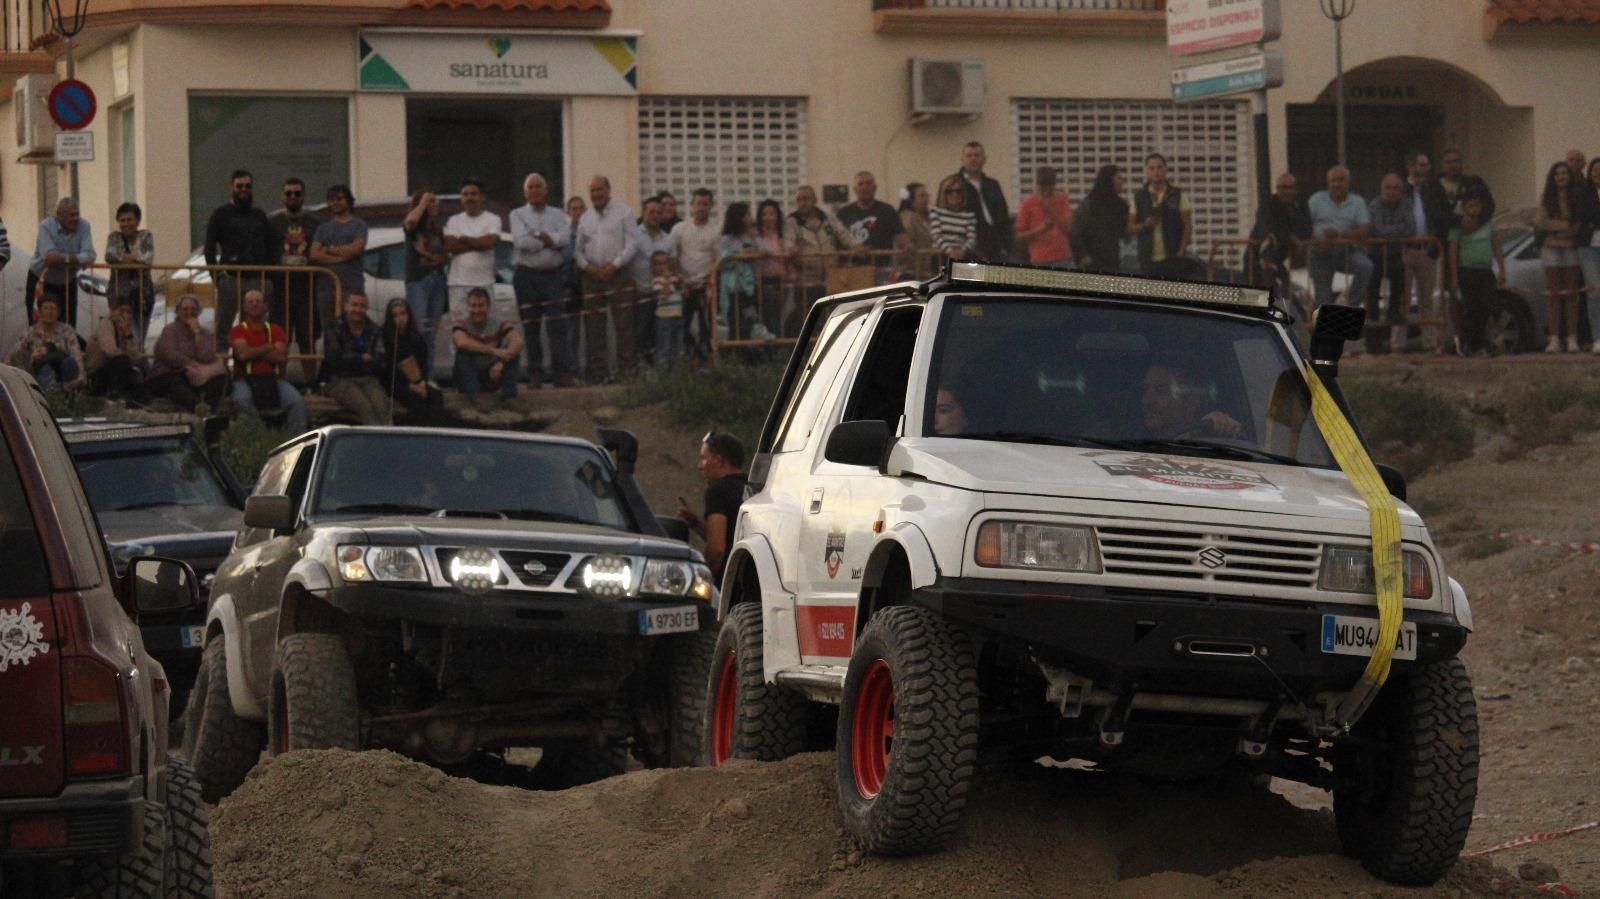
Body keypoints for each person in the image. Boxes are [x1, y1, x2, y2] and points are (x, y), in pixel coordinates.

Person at [510, 173, 574, 386]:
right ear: (525, 192)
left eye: (538, 186)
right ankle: (535, 374)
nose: (535, 190)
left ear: (546, 191)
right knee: (531, 327)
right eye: (531, 187)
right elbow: (521, 242)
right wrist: (550, 240)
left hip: (553, 276)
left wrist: (538, 235)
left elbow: (565, 238)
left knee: (558, 326)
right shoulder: (517, 214)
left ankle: (561, 374)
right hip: (526, 276)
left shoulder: (558, 214)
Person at [575, 175, 638, 381]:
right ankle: (598, 374)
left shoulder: (624, 212)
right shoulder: (585, 218)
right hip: (591, 277)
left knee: (624, 325)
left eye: (599, 190)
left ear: (608, 190)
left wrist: (615, 265)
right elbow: (577, 250)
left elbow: (632, 244)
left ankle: (626, 373)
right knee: (594, 327)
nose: (596, 194)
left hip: (618, 274)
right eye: (592, 191)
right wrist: (588, 267)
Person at [203, 170, 275, 350]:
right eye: (239, 186)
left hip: (258, 279)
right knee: (223, 329)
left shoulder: (259, 215)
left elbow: (270, 245)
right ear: (231, 187)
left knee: (254, 328)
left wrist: (269, 277)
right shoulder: (220, 214)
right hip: (230, 279)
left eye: (247, 186)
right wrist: (217, 277)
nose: (244, 189)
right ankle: (221, 366)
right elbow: (209, 248)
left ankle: (249, 365)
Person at [229, 289, 307, 433]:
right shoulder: (238, 330)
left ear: (265, 306)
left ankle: (297, 440)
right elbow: (243, 355)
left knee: (297, 402)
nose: (255, 304)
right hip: (244, 380)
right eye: (250, 302)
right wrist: (268, 347)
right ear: (245, 307)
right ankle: (262, 435)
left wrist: (252, 350)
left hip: (273, 379)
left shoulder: (276, 329)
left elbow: (281, 357)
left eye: (258, 301)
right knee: (241, 400)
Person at [267, 177, 323, 367]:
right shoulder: (272, 222)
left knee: (307, 341)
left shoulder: (315, 222)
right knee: (279, 342)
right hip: (279, 291)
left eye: (297, 193)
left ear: (304, 196)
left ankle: (311, 382)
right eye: (288, 193)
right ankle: (279, 380)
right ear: (282, 197)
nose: (293, 196)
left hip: (307, 291)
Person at [676, 432, 746, 580]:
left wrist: (703, 579)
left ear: (719, 461)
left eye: (703, 458)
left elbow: (717, 548)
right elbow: (731, 538)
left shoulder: (718, 491)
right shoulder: (753, 489)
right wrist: (696, 524)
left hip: (730, 585)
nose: (699, 466)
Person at [443, 179, 502, 355]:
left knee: (487, 333)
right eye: (465, 194)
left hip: (484, 283)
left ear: (482, 197)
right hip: (459, 284)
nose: (470, 197)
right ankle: (461, 368)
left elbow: (490, 242)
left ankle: (486, 366)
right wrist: (478, 243)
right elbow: (450, 246)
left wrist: (464, 239)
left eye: (474, 194)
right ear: (461, 198)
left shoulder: (492, 219)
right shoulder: (454, 220)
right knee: (460, 331)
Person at [1446, 188, 1506, 356]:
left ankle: (1481, 341)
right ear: (1464, 207)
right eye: (1470, 206)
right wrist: (1454, 278)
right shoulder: (1457, 228)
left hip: (1485, 271)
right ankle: (1469, 343)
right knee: (1471, 309)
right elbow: (1453, 252)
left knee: (1487, 306)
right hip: (1467, 271)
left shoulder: (1488, 225)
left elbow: (1497, 247)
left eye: (1477, 205)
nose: (1474, 210)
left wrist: (1502, 270)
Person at [1307, 166, 1374, 308]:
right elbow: (1305, 226)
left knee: (1366, 267)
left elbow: (1364, 229)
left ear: (1348, 182)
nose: (1337, 184)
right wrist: (1319, 239)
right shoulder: (1316, 200)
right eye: (1333, 180)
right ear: (1328, 183)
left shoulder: (1357, 201)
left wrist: (1340, 236)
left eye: (1341, 180)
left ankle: (1348, 305)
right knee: (1323, 300)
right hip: (1320, 254)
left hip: (1347, 251)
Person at [146, 294, 228, 411]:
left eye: (193, 309)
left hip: (195, 375)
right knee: (175, 382)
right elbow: (166, 353)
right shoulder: (170, 330)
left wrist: (197, 333)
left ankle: (208, 408)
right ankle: (196, 408)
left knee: (219, 378)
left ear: (198, 312)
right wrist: (188, 362)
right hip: (169, 373)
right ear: (178, 312)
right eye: (185, 309)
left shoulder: (205, 333)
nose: (189, 312)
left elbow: (207, 356)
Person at [1401, 150, 1447, 350]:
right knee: (1402, 299)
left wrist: (1436, 243)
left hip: (1427, 249)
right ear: (1410, 167)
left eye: (1427, 165)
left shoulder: (1434, 189)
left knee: (1426, 299)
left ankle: (1429, 342)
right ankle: (1398, 344)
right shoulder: (1401, 189)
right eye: (1421, 165)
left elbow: (1442, 215)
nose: (1425, 169)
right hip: (1405, 249)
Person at [1535, 161, 1583, 353]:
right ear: (1552, 178)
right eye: (1557, 174)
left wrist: (1559, 230)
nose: (1561, 177)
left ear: (1569, 176)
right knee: (1553, 295)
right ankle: (1554, 338)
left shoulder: (1576, 197)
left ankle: (1572, 338)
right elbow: (1543, 223)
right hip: (1551, 249)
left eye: (1564, 173)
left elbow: (1577, 225)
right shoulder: (1545, 198)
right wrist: (1564, 226)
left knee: (1571, 295)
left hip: (1571, 248)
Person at [310, 184, 369, 340]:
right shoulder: (323, 228)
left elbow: (356, 249)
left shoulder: (359, 225)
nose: (335, 202)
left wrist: (328, 249)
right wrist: (342, 256)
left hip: (351, 286)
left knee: (352, 329)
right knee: (329, 332)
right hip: (326, 288)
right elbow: (314, 255)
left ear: (348, 201)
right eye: (331, 199)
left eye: (339, 198)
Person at [320, 292, 389, 425]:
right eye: (354, 305)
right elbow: (334, 359)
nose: (357, 309)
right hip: (338, 380)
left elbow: (380, 361)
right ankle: (372, 437)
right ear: (346, 306)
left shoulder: (374, 329)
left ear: (366, 308)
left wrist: (353, 358)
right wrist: (362, 358)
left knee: (382, 406)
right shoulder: (333, 327)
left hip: (368, 379)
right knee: (364, 406)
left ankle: (388, 437)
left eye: (362, 306)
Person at [27, 197, 95, 329]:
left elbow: (90, 255)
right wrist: (76, 259)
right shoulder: (46, 226)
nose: (75, 218)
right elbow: (49, 258)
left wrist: (63, 259)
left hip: (67, 281)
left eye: (77, 214)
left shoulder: (84, 226)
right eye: (71, 215)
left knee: (68, 325)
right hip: (41, 280)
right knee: (38, 325)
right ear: (59, 215)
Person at [1367, 174, 1417, 353]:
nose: (1391, 191)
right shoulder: (1374, 205)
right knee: (1372, 296)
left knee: (1399, 284)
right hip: (1376, 254)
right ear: (1381, 189)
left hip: (1395, 254)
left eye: (1396, 188)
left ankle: (1393, 313)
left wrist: (1391, 233)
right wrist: (1398, 231)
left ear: (1401, 190)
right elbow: (1377, 230)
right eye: (1388, 188)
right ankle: (1373, 343)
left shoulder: (1407, 204)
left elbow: (1411, 228)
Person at [402, 188, 450, 371]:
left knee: (431, 332)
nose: (435, 204)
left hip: (437, 279)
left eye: (435, 201)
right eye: (431, 201)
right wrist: (422, 203)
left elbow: (443, 256)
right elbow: (410, 222)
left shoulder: (436, 229)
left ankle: (427, 375)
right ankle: (415, 376)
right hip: (418, 280)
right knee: (418, 329)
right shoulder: (414, 227)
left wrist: (431, 255)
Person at [451, 287, 523, 406]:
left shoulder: (499, 323)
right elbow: (461, 342)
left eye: (481, 306)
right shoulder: (461, 323)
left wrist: (501, 362)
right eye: (473, 306)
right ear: (468, 307)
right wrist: (494, 351)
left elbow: (518, 341)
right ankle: (476, 396)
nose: (477, 310)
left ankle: (509, 397)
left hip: (492, 375)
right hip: (468, 377)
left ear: (488, 307)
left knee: (513, 351)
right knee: (462, 352)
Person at [380, 297, 444, 425]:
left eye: (403, 313)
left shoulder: (416, 338)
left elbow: (423, 364)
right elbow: (388, 370)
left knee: (436, 396)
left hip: (417, 381)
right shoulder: (386, 338)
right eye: (395, 315)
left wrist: (422, 383)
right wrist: (411, 386)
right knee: (416, 400)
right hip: (395, 383)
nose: (400, 318)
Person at [791, 184, 856, 311]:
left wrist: (856, 246)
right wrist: (791, 249)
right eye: (799, 200)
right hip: (806, 281)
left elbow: (843, 234)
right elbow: (788, 243)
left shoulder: (828, 217)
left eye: (805, 199)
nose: (802, 203)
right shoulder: (792, 221)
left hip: (831, 278)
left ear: (815, 200)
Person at [671, 188, 720, 357]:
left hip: (706, 287)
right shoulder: (679, 229)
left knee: (707, 325)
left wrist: (710, 282)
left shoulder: (715, 230)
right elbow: (674, 256)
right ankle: (689, 355)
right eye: (698, 204)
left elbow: (716, 259)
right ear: (692, 205)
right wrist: (681, 282)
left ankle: (708, 358)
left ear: (711, 206)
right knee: (682, 324)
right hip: (684, 286)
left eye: (705, 204)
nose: (701, 208)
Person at [1129, 154, 1194, 278]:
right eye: (1152, 168)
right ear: (1147, 171)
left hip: (1173, 257)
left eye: (1159, 167)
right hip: (1147, 259)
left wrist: (1182, 250)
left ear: (1165, 169)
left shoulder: (1177, 195)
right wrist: (1144, 225)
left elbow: (1188, 225)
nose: (1156, 172)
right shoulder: (1139, 197)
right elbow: (1130, 227)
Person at [1141, 361, 1240, 440]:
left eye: (1161, 391)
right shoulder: (1133, 441)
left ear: (1191, 402)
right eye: (1144, 390)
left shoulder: (1208, 445)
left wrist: (1219, 427)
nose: (1146, 401)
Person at [837, 171, 908, 282]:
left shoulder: (887, 210)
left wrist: (907, 246)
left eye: (868, 183)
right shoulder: (843, 213)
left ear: (875, 187)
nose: (865, 187)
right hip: (852, 269)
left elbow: (900, 237)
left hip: (882, 269)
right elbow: (836, 240)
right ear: (855, 189)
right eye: (861, 184)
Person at [1248, 173, 1311, 295]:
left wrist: (1297, 238)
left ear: (1295, 189)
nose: (1284, 191)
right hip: (1258, 261)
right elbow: (1269, 227)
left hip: (1276, 260)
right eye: (1281, 188)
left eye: (1288, 188)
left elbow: (1307, 228)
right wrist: (1291, 237)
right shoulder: (1269, 204)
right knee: (1265, 296)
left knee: (1284, 292)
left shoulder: (1300, 205)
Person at [630, 196, 677, 361]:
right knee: (639, 333)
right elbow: (627, 262)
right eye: (651, 212)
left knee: (660, 334)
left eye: (658, 212)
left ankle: (658, 367)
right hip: (640, 293)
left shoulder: (668, 239)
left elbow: (673, 265)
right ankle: (638, 366)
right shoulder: (633, 235)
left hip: (662, 297)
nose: (655, 215)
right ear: (643, 213)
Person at [954, 141, 1014, 262]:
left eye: (977, 155)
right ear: (962, 160)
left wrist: (1008, 244)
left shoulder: (992, 185)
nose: (973, 159)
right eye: (969, 156)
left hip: (997, 247)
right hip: (971, 248)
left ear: (984, 159)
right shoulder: (954, 185)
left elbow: (1003, 215)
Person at [8, 295, 83, 390]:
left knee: (70, 362)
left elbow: (76, 355)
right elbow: (15, 353)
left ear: (58, 312)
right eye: (46, 308)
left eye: (53, 309)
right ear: (40, 311)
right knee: (46, 370)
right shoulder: (31, 332)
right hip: (41, 372)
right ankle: (50, 394)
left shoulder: (66, 331)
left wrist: (80, 378)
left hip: (63, 371)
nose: (49, 312)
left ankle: (68, 392)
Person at [104, 202, 155, 330]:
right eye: (122, 220)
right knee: (123, 334)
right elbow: (110, 256)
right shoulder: (114, 237)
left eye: (129, 219)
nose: (126, 224)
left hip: (143, 295)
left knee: (140, 334)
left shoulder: (145, 236)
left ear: (138, 221)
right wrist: (136, 260)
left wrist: (125, 258)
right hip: (119, 296)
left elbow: (147, 259)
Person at [85, 298, 146, 400]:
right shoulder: (106, 324)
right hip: (98, 371)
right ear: (113, 311)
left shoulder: (129, 330)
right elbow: (110, 351)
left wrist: (128, 336)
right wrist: (126, 354)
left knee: (138, 372)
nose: (125, 315)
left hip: (119, 368)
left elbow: (136, 357)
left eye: (129, 312)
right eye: (122, 311)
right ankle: (112, 395)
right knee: (122, 361)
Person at [716, 203, 761, 340]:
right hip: (733, 287)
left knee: (749, 319)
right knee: (735, 319)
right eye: (747, 214)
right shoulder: (726, 239)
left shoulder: (750, 237)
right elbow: (723, 261)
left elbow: (758, 252)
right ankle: (734, 347)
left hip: (748, 285)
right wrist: (739, 255)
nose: (750, 218)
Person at [1015, 166, 1074, 269]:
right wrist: (1040, 230)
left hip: (1063, 256)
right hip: (1040, 259)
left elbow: (1068, 228)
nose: (1046, 192)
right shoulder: (1028, 203)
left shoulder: (1062, 199)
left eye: (1050, 188)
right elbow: (1019, 236)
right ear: (1038, 185)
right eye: (1043, 188)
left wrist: (1050, 208)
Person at [1077, 165, 1129, 274]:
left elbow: (1126, 232)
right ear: (1109, 180)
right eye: (1119, 178)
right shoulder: (1089, 204)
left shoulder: (1121, 204)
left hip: (1115, 260)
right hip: (1093, 260)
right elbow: (1078, 231)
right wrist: (1082, 255)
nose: (1121, 182)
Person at [752, 199, 792, 338]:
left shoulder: (783, 235)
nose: (768, 217)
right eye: (765, 214)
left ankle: (779, 342)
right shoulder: (755, 235)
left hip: (781, 281)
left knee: (779, 315)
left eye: (772, 213)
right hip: (762, 281)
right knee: (766, 316)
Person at [649, 251, 687, 367]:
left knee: (678, 347)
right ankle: (663, 371)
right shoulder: (657, 281)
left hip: (678, 316)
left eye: (665, 263)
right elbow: (664, 294)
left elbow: (684, 293)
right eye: (658, 264)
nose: (662, 266)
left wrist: (681, 282)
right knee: (665, 346)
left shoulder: (674, 279)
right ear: (653, 267)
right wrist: (667, 280)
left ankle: (677, 371)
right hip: (664, 318)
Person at [929, 175, 977, 262]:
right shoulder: (936, 212)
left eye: (958, 191)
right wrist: (949, 251)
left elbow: (971, 239)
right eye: (949, 191)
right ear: (943, 194)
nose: (954, 195)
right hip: (940, 256)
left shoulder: (969, 216)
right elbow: (936, 235)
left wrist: (962, 250)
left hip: (962, 256)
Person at [1579, 158, 1600, 354]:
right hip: (1589, 248)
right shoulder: (1585, 193)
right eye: (1594, 171)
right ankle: (1597, 337)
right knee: (1594, 293)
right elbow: (1586, 216)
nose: (1597, 174)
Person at [898, 182, 935, 279]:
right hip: (911, 271)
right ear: (911, 200)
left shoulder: (927, 218)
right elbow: (905, 242)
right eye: (922, 196)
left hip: (925, 270)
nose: (926, 199)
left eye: (927, 195)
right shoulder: (907, 217)